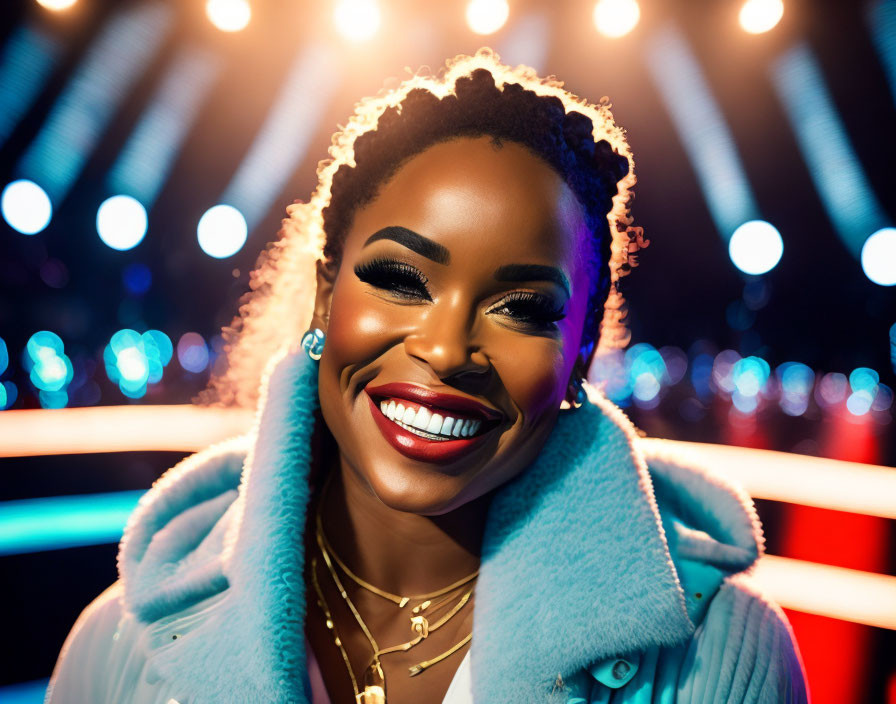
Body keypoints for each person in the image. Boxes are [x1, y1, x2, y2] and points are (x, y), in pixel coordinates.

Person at [45, 49, 809, 704]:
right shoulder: (120, 649)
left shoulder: (720, 658)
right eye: (401, 280)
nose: (446, 351)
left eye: (521, 307)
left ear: (578, 355)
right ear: (324, 297)